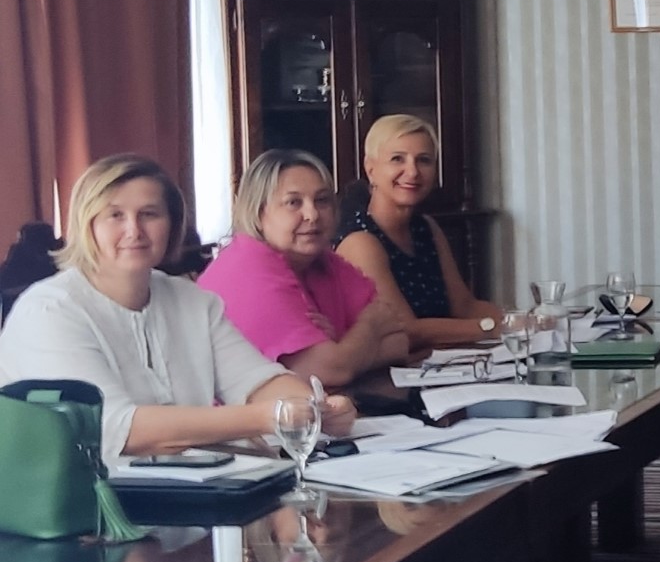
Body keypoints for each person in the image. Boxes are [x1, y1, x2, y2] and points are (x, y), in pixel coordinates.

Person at [0, 155, 356, 460]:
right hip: (80, 508)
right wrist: (272, 416)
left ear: (172, 225)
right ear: (86, 225)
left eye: (149, 214)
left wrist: (315, 407)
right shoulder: (49, 312)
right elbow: (118, 429)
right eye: (115, 215)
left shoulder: (192, 300)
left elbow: (256, 380)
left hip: (187, 493)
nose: (134, 230)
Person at [199, 150, 411, 388]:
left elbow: (398, 341)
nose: (312, 215)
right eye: (293, 202)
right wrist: (369, 327)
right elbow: (328, 371)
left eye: (322, 200)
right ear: (258, 212)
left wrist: (342, 347)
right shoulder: (247, 268)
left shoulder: (321, 260)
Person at [336, 115, 504, 347]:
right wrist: (496, 328)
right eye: (397, 159)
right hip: (388, 367)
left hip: (441, 360)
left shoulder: (426, 227)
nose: (413, 171)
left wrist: (527, 321)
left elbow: (465, 306)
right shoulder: (360, 241)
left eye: (423, 160)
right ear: (370, 168)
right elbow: (407, 330)